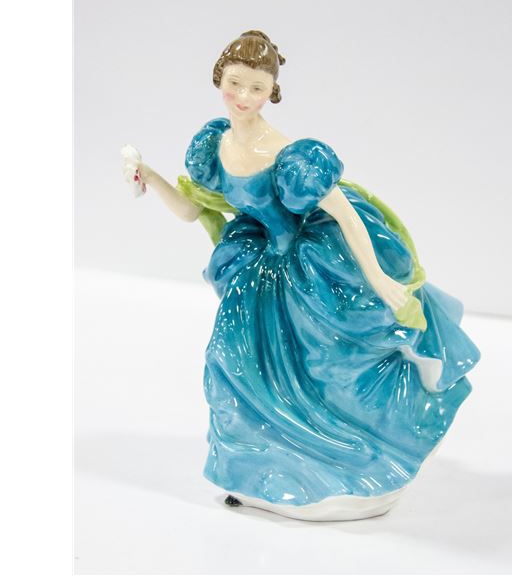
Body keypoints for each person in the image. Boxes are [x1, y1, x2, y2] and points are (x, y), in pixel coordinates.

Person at [125, 30, 480, 521]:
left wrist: (378, 277)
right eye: (235, 83)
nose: (243, 96)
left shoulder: (288, 155)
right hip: (257, 272)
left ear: (272, 91)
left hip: (305, 269)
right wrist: (149, 175)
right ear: (219, 80)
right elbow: (191, 210)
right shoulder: (215, 145)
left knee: (327, 364)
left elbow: (346, 216)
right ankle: (252, 471)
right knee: (231, 361)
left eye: (256, 87)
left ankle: (351, 458)